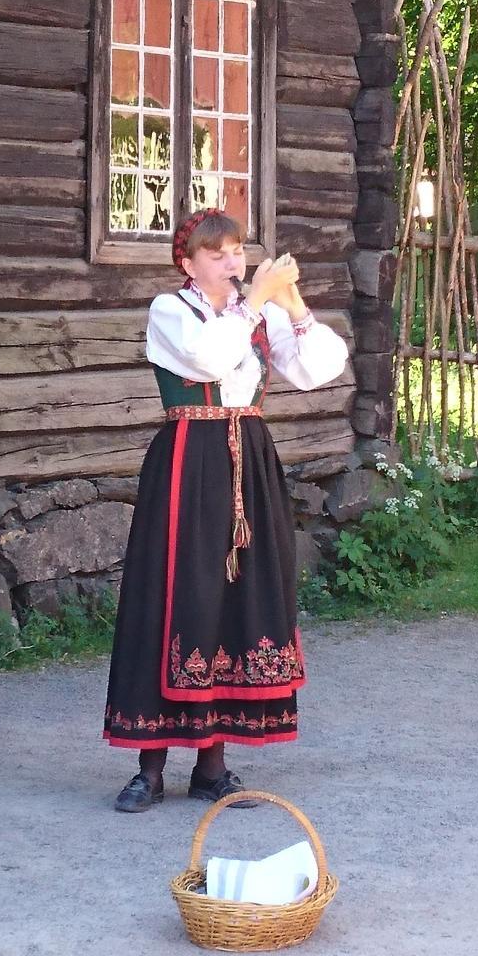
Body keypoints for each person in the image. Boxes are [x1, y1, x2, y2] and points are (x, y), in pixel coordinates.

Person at [103, 208, 349, 812]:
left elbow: (318, 368)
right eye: (216, 254)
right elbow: (209, 359)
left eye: (237, 251)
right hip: (189, 464)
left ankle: (212, 768)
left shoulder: (259, 313)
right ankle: (150, 769)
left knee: (236, 600)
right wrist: (254, 301)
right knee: (176, 597)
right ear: (188, 264)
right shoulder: (171, 311)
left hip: (250, 464)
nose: (232, 262)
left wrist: (291, 304)